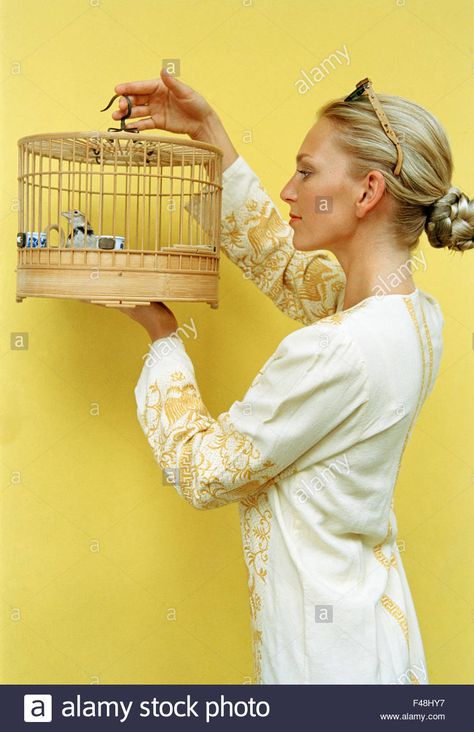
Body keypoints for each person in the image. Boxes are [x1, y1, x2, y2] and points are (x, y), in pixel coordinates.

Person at [105, 69, 474, 684]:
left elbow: (202, 472)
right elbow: (285, 268)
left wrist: (163, 336)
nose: (288, 189)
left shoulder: (334, 350)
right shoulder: (412, 315)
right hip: (372, 635)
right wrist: (208, 132)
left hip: (324, 665)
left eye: (306, 172)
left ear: (367, 193)